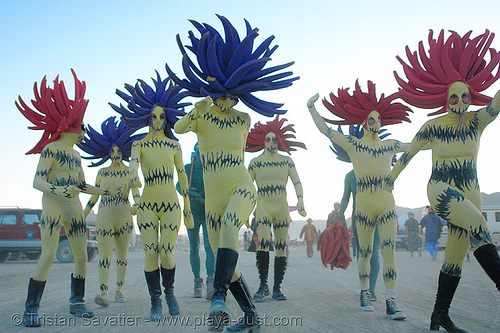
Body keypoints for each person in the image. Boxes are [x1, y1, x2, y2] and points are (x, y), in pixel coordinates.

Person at [167, 15, 298, 332]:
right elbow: (178, 127)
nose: (228, 101)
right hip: (213, 197)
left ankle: (218, 298)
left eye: (233, 95)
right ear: (213, 88)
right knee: (229, 261)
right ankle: (251, 315)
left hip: (241, 187)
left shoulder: (243, 119)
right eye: (223, 95)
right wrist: (197, 108)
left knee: (228, 232)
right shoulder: (201, 116)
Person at [387, 30, 500, 332]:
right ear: (445, 99)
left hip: (472, 194)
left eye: (465, 96)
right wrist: (392, 179)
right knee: (480, 228)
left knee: (454, 260)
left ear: (470, 97)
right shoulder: (433, 126)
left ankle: (439, 316)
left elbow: (497, 103)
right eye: (453, 96)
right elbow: (408, 154)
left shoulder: (479, 120)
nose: (460, 101)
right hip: (441, 189)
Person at [16, 70, 119, 326]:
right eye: (82, 127)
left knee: (82, 256)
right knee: (48, 255)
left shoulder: (75, 156)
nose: (84, 133)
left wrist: (104, 191)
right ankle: (31, 308)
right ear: (71, 127)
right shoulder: (51, 150)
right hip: (53, 206)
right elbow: (37, 181)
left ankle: (77, 301)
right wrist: (59, 191)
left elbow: (82, 184)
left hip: (73, 207)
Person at [307, 80, 411, 320]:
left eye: (378, 119)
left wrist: (437, 135)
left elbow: (414, 146)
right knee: (364, 252)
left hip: (386, 205)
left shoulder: (389, 145)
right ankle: (365, 293)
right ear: (364, 123)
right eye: (370, 119)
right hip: (363, 209)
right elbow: (327, 131)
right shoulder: (354, 145)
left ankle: (391, 300)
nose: (374, 122)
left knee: (389, 252)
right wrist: (312, 109)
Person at [111, 71, 193, 321]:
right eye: (153, 116)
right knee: (150, 252)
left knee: (166, 251)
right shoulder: (139, 145)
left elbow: (181, 174)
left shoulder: (174, 146)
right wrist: (133, 176)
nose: (158, 120)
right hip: (147, 204)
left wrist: (187, 205)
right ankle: (155, 301)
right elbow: (133, 164)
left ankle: (169, 293)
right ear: (148, 118)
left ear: (166, 118)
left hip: (171, 203)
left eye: (162, 116)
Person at [79, 117, 144, 306]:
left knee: (122, 256)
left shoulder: (129, 172)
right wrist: (82, 215)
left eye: (119, 150)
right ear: (107, 152)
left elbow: (136, 192)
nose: (115, 154)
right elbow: (94, 197)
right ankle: (104, 293)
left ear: (124, 151)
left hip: (124, 218)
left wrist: (137, 205)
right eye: (112, 150)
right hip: (104, 218)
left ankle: (119, 291)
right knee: (104, 256)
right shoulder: (102, 173)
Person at [246, 116, 307, 302]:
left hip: (281, 207)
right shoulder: (255, 163)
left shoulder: (287, 161)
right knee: (263, 244)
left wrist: (301, 200)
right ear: (262, 142)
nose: (271, 142)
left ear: (279, 140)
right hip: (263, 205)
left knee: (280, 247)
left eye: (274, 139)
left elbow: (297, 181)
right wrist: (247, 211)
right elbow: (248, 188)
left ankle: (277, 287)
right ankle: (263, 285)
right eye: (268, 139)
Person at [334, 124, 383, 302]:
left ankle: (371, 289)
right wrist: (340, 213)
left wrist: (341, 213)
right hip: (361, 217)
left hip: (371, 215)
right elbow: (345, 198)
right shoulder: (351, 176)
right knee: (368, 253)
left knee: (370, 253)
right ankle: (368, 289)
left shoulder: (362, 173)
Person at [176, 143, 215, 299]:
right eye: (199, 149)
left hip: (207, 211)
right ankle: (197, 282)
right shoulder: (188, 167)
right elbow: (179, 185)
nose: (201, 152)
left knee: (209, 245)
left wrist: (206, 199)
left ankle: (211, 281)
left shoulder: (212, 168)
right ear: (195, 151)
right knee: (194, 246)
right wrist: (188, 192)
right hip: (192, 211)